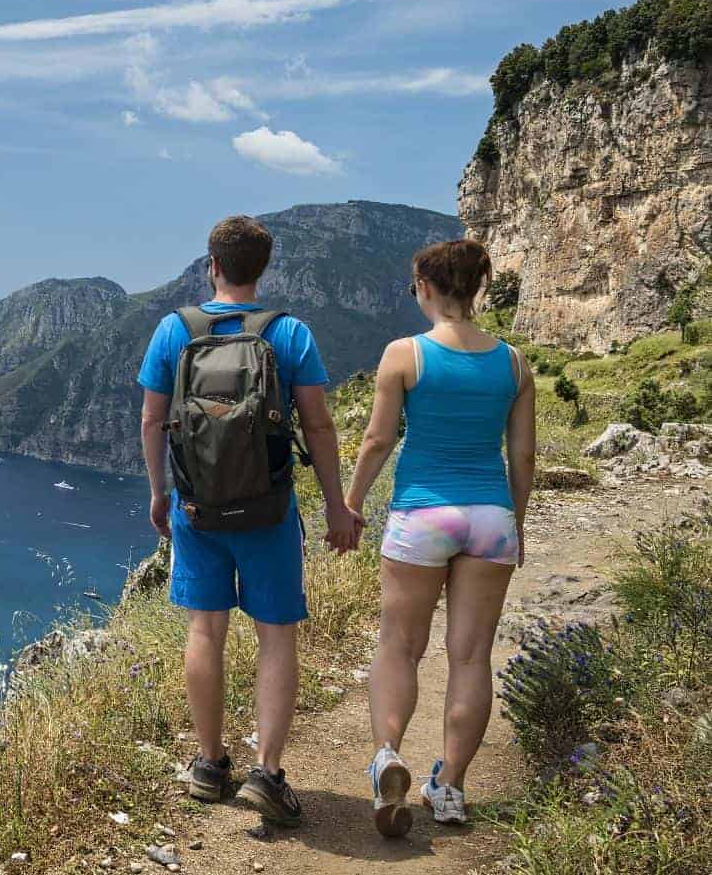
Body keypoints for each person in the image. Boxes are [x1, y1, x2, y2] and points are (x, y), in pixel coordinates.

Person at [138, 215, 360, 829]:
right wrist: (337, 505)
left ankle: (209, 765)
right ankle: (267, 772)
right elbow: (317, 426)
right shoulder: (289, 335)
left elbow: (153, 421)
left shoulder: (172, 332)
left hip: (197, 510)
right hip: (269, 509)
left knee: (205, 631)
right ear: (263, 269)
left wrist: (160, 493)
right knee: (276, 638)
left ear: (211, 264)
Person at [343, 238, 536, 837]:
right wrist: (516, 522)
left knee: (400, 646)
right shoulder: (514, 362)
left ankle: (388, 755)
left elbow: (378, 441)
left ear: (425, 287)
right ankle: (449, 787)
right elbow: (522, 454)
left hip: (423, 515)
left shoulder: (405, 354)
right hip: (489, 517)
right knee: (471, 656)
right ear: (477, 289)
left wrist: (349, 504)